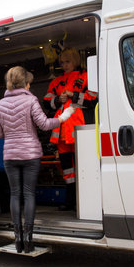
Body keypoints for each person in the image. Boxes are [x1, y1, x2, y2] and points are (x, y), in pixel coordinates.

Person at [0, 66, 75, 253]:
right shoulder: (31, 100)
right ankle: (28, 239)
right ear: (26, 84)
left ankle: (17, 239)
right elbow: (45, 124)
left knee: (15, 194)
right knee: (29, 194)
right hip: (30, 155)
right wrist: (62, 118)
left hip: (11, 156)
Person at [43, 48, 97, 211]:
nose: (64, 65)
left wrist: (73, 95)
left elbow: (94, 98)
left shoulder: (86, 76)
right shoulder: (56, 81)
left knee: (86, 167)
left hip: (82, 131)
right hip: (62, 134)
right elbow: (46, 101)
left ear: (75, 61)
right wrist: (58, 99)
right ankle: (70, 200)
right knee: (67, 170)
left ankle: (88, 199)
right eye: (62, 62)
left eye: (68, 62)